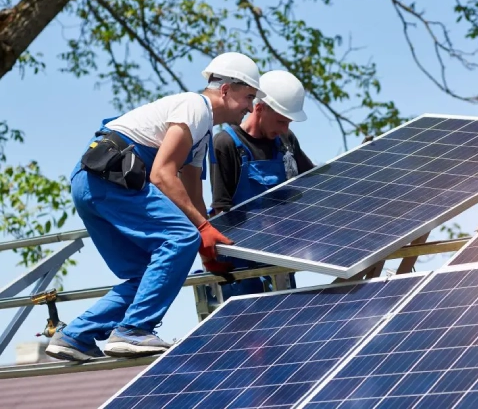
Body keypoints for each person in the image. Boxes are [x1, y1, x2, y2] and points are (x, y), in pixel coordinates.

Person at [45, 52, 263, 362]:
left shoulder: (201, 134)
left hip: (92, 183)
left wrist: (205, 246)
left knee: (149, 276)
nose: (250, 107)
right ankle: (133, 330)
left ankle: (75, 336)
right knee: (179, 239)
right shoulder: (195, 107)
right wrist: (199, 231)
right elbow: (162, 174)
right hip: (112, 179)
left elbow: (191, 191)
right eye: (249, 97)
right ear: (226, 90)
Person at [208, 70, 314, 299]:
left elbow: (314, 182)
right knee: (251, 331)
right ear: (259, 108)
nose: (285, 129)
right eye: (281, 121)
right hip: (242, 267)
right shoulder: (225, 143)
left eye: (289, 123)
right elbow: (220, 212)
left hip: (280, 255)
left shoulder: (286, 141)